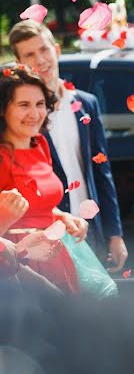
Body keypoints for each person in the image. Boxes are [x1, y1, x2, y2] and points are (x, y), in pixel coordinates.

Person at [9, 20, 127, 272]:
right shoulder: (23, 116)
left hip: (86, 229)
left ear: (57, 50)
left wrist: (114, 233)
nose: (40, 60)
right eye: (29, 55)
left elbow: (101, 172)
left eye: (44, 50)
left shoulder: (87, 104)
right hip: (44, 235)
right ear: (20, 63)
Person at [0, 66, 89, 294]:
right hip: (19, 268)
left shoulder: (40, 144)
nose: (35, 114)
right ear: (2, 110)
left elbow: (41, 203)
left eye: (40, 104)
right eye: (23, 105)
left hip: (55, 258)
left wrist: (62, 216)